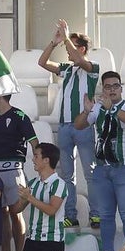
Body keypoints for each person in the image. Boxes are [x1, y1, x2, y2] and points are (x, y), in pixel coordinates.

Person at [74, 70, 125, 251]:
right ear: (103, 89)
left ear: (121, 88)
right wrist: (87, 111)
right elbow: (79, 125)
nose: (112, 89)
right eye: (108, 86)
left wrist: (112, 108)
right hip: (102, 167)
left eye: (115, 86)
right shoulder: (98, 108)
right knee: (105, 214)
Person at [38, 19, 100, 229]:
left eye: (70, 45)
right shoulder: (66, 69)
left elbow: (80, 60)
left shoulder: (91, 69)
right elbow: (42, 62)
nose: (67, 50)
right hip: (64, 126)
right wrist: (54, 42)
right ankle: (70, 214)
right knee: (67, 175)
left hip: (83, 126)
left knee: (90, 173)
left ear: (81, 48)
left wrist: (66, 39)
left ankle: (96, 214)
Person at [0, 93, 37, 251]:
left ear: (0, 96)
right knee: (1, 213)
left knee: (16, 212)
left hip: (13, 168)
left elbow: (34, 141)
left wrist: (39, 163)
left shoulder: (19, 116)